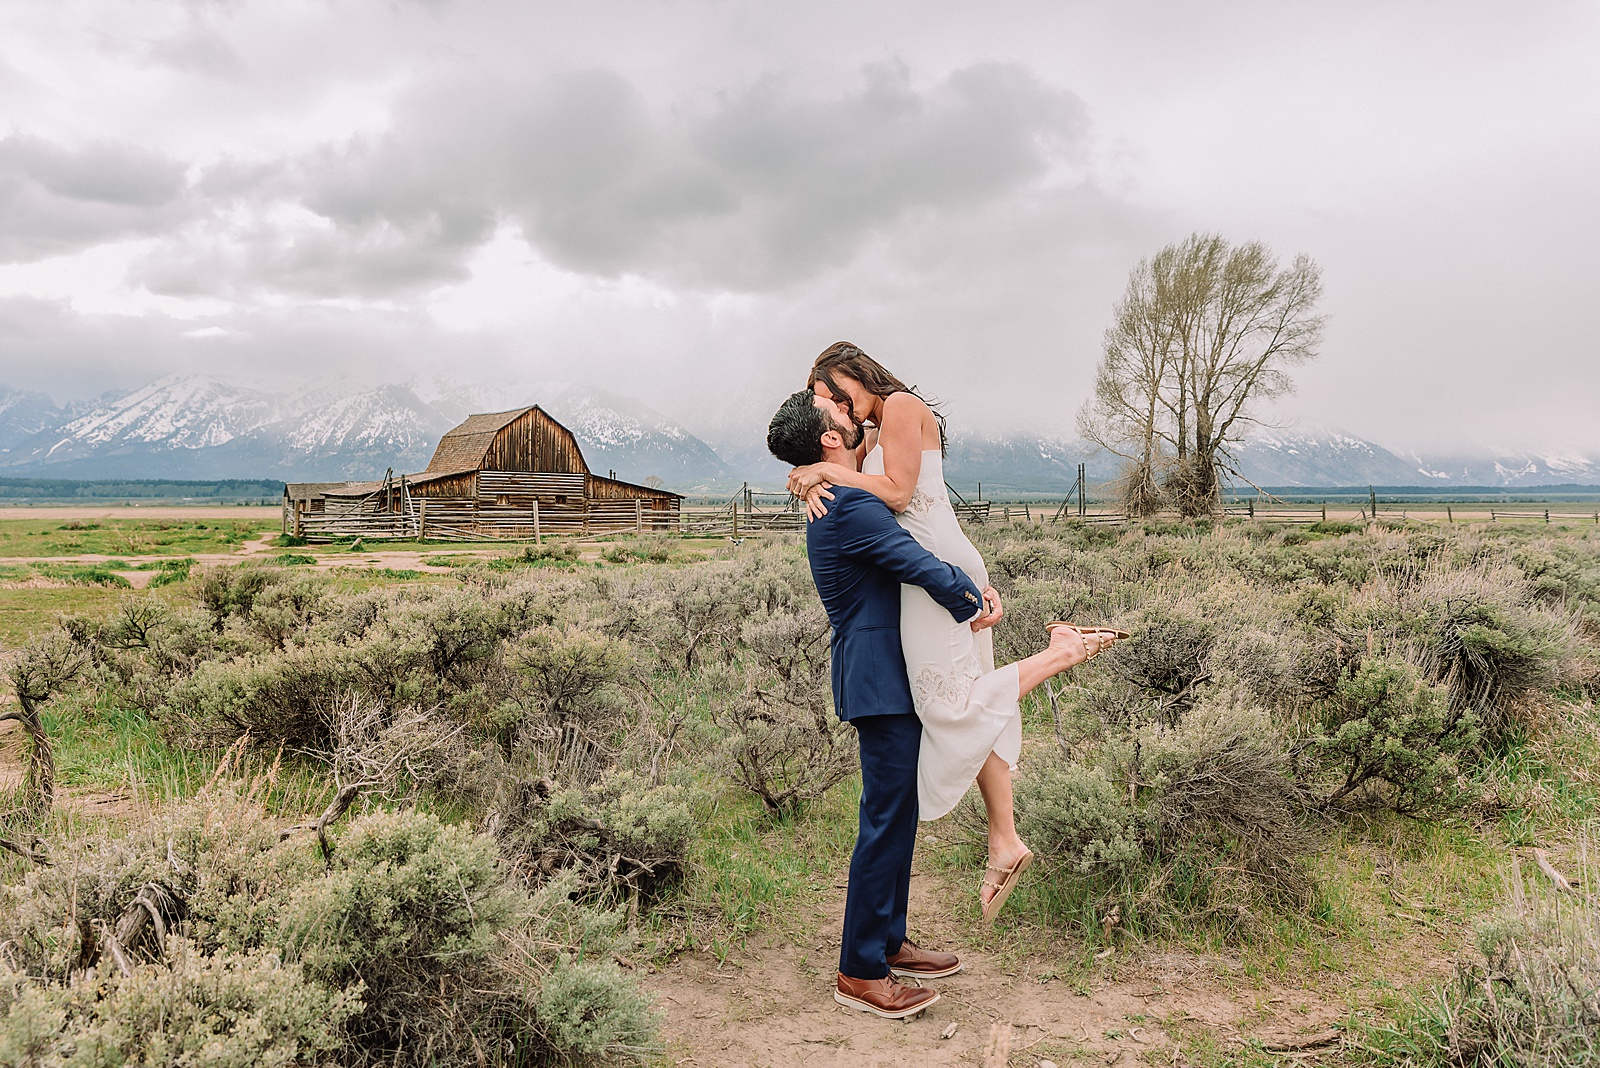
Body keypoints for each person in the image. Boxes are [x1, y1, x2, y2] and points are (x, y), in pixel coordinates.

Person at [787, 341, 1120, 923]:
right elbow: (837, 462)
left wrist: (821, 472)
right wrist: (809, 474)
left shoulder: (899, 406)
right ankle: (1003, 837)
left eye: (827, 393)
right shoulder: (863, 432)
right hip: (926, 567)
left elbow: (896, 493)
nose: (829, 405)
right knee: (956, 695)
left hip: (934, 560)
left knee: (951, 702)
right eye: (822, 403)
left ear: (848, 375)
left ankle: (1060, 654)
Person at [766, 388, 993, 1020]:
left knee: (896, 811)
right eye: (841, 414)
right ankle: (860, 971)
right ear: (831, 440)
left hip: (883, 672)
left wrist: (812, 469)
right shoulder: (847, 504)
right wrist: (972, 598)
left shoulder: (834, 489)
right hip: (879, 678)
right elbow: (912, 561)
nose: (853, 413)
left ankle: (890, 940)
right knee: (884, 820)